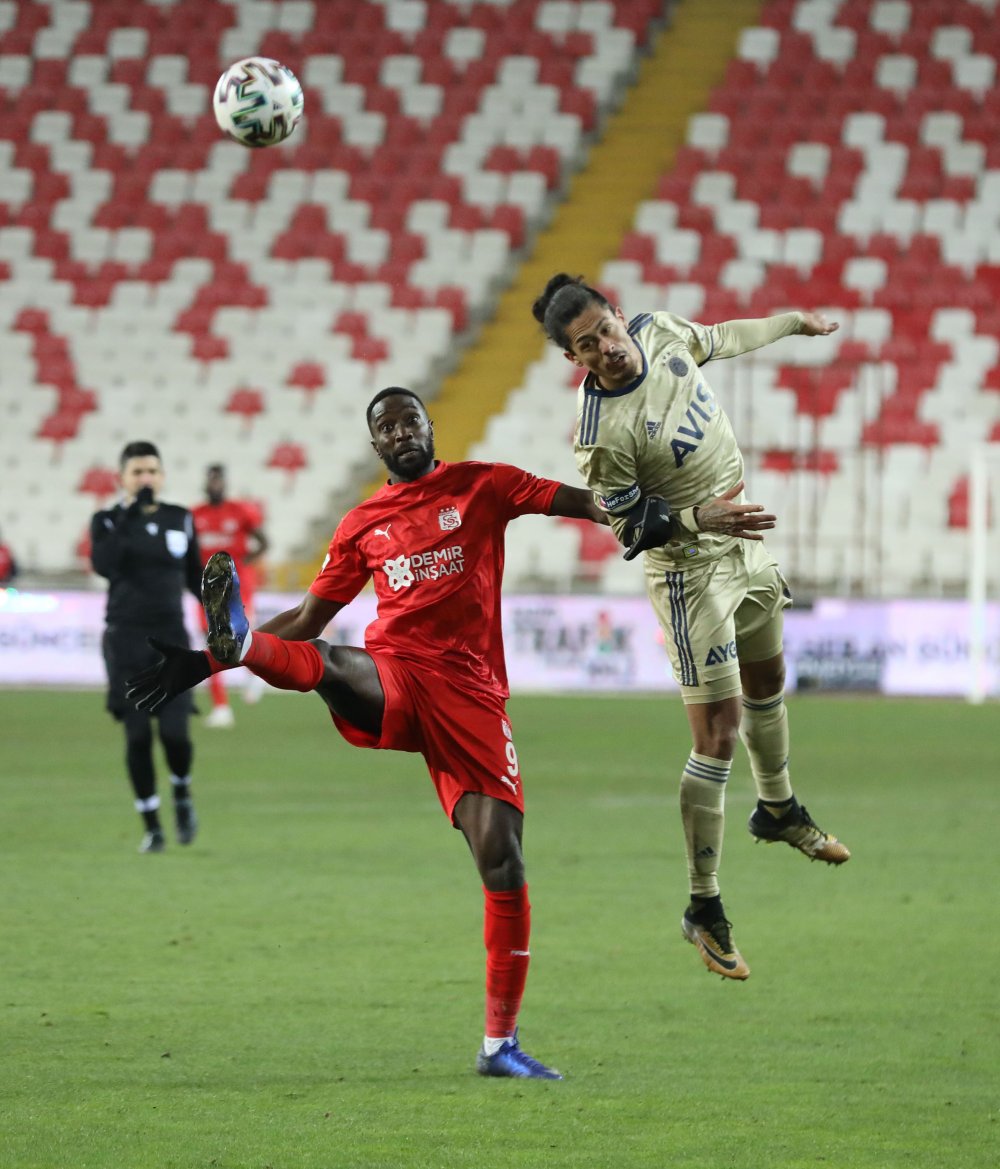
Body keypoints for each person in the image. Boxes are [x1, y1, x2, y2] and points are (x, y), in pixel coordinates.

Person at [125, 386, 610, 1079]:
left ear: (428, 426)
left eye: (409, 419)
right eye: (386, 426)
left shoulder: (484, 485)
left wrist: (619, 508)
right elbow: (308, 619)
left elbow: (572, 499)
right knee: (331, 663)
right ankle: (237, 646)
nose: (400, 431)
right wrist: (208, 661)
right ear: (375, 445)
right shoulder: (362, 524)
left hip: (473, 698)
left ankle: (498, 1045)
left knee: (503, 863)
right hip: (399, 675)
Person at [531, 273, 851, 982]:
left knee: (769, 679)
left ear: (618, 313)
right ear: (572, 359)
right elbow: (629, 526)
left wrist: (791, 321)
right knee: (718, 732)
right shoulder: (600, 434)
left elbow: (722, 338)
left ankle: (778, 808)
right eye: (588, 346)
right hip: (688, 571)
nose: (608, 348)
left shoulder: (661, 330)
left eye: (607, 330)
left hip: (744, 543)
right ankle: (702, 907)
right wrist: (697, 518)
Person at [90, 441, 203, 854]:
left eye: (152, 471)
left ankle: (182, 792)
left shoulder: (181, 518)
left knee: (176, 735)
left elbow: (194, 575)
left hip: (172, 640)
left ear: (163, 475)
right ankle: (153, 826)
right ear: (122, 478)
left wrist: (222, 608)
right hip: (125, 641)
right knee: (137, 738)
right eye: (137, 472)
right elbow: (104, 564)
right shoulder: (106, 521)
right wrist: (129, 515)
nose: (146, 479)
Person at [191, 464, 269, 727]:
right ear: (206, 482)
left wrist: (244, 562)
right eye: (211, 480)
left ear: (224, 483)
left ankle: (256, 673)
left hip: (237, 585)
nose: (215, 485)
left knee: (238, 637)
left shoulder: (239, 511)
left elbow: (264, 542)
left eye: (219, 480)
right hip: (208, 588)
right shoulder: (195, 515)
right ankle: (221, 707)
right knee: (211, 643)